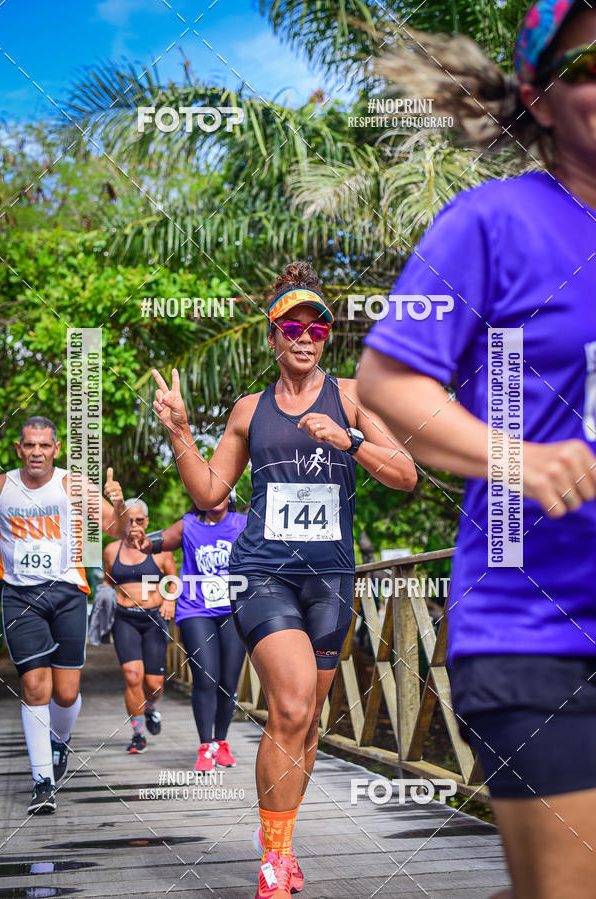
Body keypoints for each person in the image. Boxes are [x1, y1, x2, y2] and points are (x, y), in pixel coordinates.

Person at [356, 2, 596, 897]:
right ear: (536, 96)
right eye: (591, 62)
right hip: (537, 632)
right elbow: (387, 383)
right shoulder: (493, 224)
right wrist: (517, 457)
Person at [149, 260, 417, 898]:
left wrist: (349, 440)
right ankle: (273, 861)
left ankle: (281, 838)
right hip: (263, 571)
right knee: (291, 704)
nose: (304, 336)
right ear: (271, 337)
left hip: (330, 579)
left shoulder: (351, 397)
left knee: (308, 719)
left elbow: (404, 473)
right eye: (290, 326)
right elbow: (212, 490)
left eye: (316, 327)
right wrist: (182, 432)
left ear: (327, 337)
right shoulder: (248, 410)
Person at [0, 416, 126, 814]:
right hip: (20, 597)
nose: (37, 452)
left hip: (68, 594)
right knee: (35, 686)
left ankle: (59, 742)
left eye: (45, 446)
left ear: (56, 449)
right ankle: (42, 782)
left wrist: (118, 505)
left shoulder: (73, 485)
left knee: (66, 693)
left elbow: (118, 531)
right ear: (19, 449)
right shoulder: (2, 487)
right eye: (29, 445)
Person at [129, 493, 247, 771]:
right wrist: (145, 541)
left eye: (221, 490)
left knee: (229, 680)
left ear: (229, 495)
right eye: (209, 490)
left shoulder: (243, 522)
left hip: (233, 609)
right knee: (206, 676)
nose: (215, 497)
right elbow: (158, 541)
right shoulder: (188, 524)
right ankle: (205, 746)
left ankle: (221, 742)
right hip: (196, 610)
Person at [103, 498, 177, 753]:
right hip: (124, 619)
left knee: (154, 685)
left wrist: (170, 601)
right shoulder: (112, 550)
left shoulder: (160, 550)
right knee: (132, 676)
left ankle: (150, 707)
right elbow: (108, 582)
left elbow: (174, 581)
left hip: (154, 619)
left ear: (147, 522)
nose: (133, 525)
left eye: (139, 520)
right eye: (128, 520)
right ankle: (137, 734)